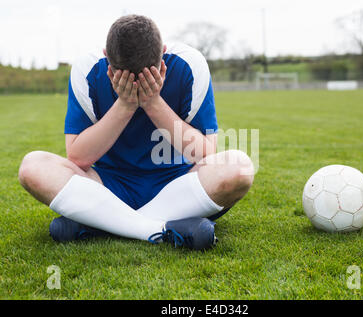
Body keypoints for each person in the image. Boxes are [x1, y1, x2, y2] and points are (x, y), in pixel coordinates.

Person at [18, 15, 254, 250]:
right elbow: (78, 157)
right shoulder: (87, 69)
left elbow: (205, 154)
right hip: (107, 185)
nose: (136, 83)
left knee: (239, 168)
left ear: (163, 52)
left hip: (179, 186)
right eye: (126, 78)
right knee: (33, 167)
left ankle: (99, 224)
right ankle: (159, 229)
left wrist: (153, 103)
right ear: (106, 57)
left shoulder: (190, 64)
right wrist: (125, 105)